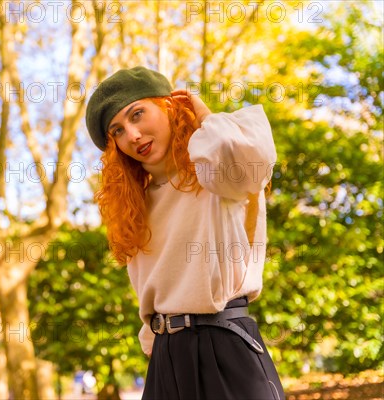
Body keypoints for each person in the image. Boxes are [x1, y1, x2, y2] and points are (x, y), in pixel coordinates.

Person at [85, 66, 285, 399]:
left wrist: (202, 114)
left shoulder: (215, 171)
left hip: (225, 345)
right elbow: (147, 288)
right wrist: (155, 348)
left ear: (169, 105)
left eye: (138, 114)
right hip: (166, 357)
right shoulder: (133, 206)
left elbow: (254, 155)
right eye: (118, 130)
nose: (132, 135)